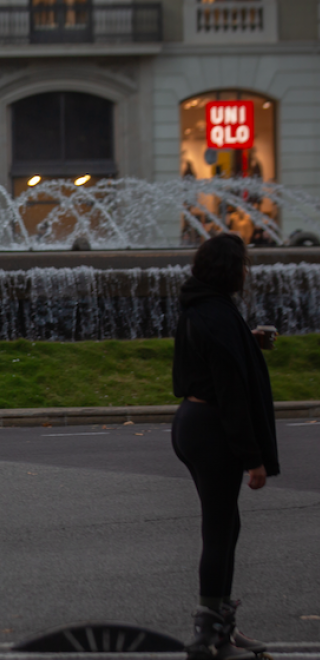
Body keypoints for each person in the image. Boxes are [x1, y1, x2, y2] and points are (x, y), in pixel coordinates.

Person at [171, 233, 279, 660]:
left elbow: (209, 358)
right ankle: (208, 636)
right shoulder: (215, 314)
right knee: (219, 530)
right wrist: (254, 459)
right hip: (212, 428)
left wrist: (245, 342)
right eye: (243, 265)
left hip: (192, 421)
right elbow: (232, 395)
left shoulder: (202, 306)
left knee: (227, 526)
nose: (246, 272)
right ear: (230, 270)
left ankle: (223, 628)